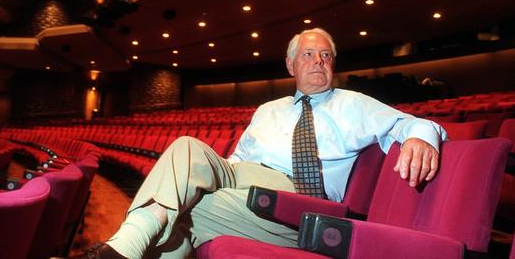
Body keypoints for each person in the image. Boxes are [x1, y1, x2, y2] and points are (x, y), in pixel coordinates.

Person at [81, 28, 446, 259]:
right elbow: (237, 160)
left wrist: (420, 139)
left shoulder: (353, 103)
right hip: (246, 183)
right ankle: (128, 249)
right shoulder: (267, 109)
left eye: (326, 55)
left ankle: (125, 248)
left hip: (298, 204)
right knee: (186, 147)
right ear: (290, 65)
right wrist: (210, 171)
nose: (318, 61)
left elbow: (412, 123)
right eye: (308, 54)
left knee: (182, 204)